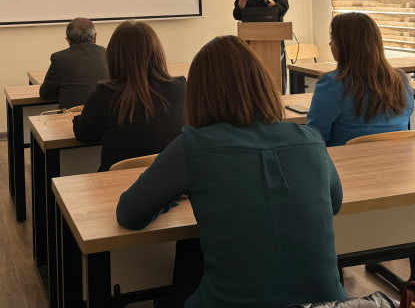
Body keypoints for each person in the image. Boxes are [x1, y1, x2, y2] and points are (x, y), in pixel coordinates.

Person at [117, 36, 346, 308]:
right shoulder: (311, 138)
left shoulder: (192, 147)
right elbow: (334, 202)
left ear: (199, 94)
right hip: (329, 304)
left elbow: (129, 213)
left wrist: (172, 197)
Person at [73, 20, 186, 171]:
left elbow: (84, 134)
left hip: (115, 189)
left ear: (114, 56)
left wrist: (77, 119)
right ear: (157, 51)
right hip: (171, 186)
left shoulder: (105, 94)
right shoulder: (181, 88)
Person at [306, 12, 414, 146]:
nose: (329, 43)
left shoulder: (332, 84)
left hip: (345, 163)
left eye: (333, 38)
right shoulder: (401, 80)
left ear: (345, 44)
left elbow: (315, 137)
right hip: (397, 162)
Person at [232, 0, 290, 92]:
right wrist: (241, 4)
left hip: (273, 38)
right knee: (251, 74)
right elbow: (237, 15)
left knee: (273, 76)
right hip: (250, 38)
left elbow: (282, 11)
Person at [39, 17, 109, 110]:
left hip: (71, 120)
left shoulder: (59, 58)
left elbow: (46, 94)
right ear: (95, 37)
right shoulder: (109, 54)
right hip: (107, 116)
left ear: (68, 40)